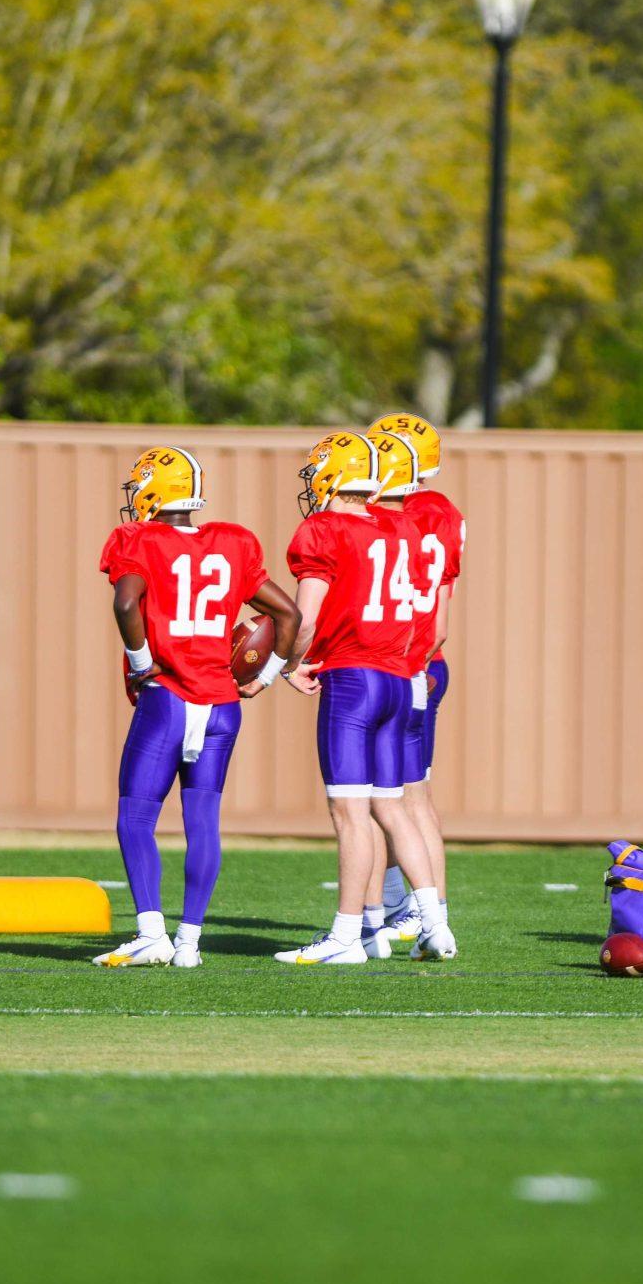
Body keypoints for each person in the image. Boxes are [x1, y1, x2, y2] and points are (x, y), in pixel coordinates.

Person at [92, 446, 299, 968]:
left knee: (136, 817)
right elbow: (288, 614)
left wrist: (141, 663)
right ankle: (189, 942)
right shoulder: (233, 542)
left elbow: (124, 602)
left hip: (169, 701)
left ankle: (149, 933)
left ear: (155, 490)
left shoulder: (136, 539)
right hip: (224, 705)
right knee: (202, 818)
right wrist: (269, 675)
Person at [277, 430, 453, 964]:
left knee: (349, 812)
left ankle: (347, 936)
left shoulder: (324, 528)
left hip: (354, 681)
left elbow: (306, 619)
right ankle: (436, 924)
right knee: (390, 805)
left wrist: (285, 665)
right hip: (402, 677)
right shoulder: (401, 525)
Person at [367, 413, 464, 950]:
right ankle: (424, 908)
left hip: (400, 659)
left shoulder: (396, 517)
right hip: (425, 658)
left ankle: (399, 912)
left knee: (383, 797)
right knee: (410, 795)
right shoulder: (442, 512)